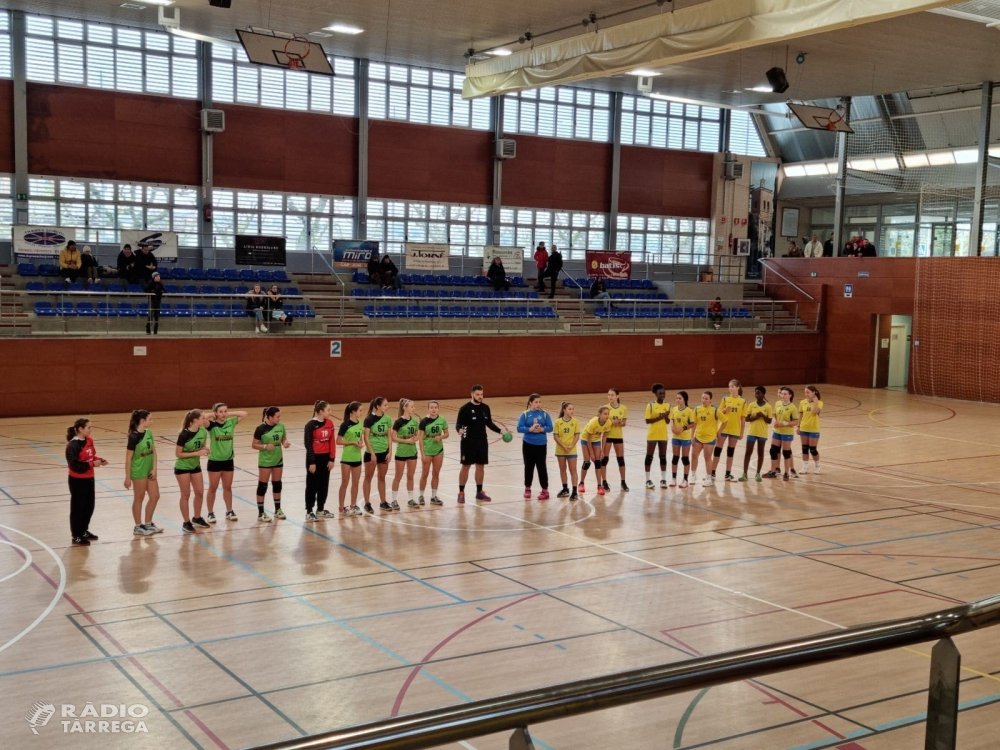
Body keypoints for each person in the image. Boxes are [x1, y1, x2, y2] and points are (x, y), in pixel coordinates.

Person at [455, 384, 504, 504]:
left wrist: (501, 431)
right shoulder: (465, 408)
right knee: (466, 466)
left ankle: (479, 491)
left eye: (481, 394)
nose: (480, 396)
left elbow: (490, 423)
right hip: (468, 442)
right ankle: (461, 492)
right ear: (472, 394)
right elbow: (458, 424)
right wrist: (459, 430)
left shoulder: (485, 408)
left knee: (480, 466)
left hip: (482, 441)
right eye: (477, 394)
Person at [65, 417, 108, 546]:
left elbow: (91, 456)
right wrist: (92, 464)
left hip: (89, 479)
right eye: (88, 427)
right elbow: (75, 466)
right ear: (80, 429)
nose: (91, 430)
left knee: (89, 507)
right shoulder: (72, 445)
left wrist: (99, 459)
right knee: (78, 508)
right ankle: (76, 535)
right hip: (77, 481)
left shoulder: (89, 440)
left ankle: (84, 531)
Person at [206, 403, 247, 522]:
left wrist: (230, 414)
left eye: (225, 411)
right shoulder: (211, 425)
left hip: (228, 460)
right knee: (213, 488)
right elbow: (202, 418)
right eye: (221, 412)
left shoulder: (231, 422)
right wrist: (212, 415)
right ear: (216, 413)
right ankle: (210, 513)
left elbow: (245, 414)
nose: (224, 414)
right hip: (215, 461)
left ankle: (229, 511)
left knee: (227, 487)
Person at [125, 410, 161, 536]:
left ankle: (148, 523)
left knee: (155, 496)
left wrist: (155, 468)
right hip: (138, 471)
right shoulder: (133, 437)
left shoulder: (149, 433)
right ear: (142, 421)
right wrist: (128, 477)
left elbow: (154, 451)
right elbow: (128, 458)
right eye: (150, 419)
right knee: (139, 497)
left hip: (149, 470)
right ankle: (138, 526)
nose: (152, 421)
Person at [174, 409, 211, 533]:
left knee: (199, 492)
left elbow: (202, 447)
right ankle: (186, 522)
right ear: (195, 420)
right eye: (203, 418)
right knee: (185, 495)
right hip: (182, 467)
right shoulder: (184, 434)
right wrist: (197, 453)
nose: (205, 420)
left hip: (195, 466)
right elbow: (178, 454)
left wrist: (206, 450)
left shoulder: (203, 432)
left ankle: (197, 517)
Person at [252, 406, 290, 521]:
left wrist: (285, 442)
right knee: (263, 486)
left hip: (278, 459)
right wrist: (264, 446)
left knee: (277, 484)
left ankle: (277, 510)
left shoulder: (281, 426)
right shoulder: (261, 429)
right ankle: (261, 513)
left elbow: (283, 438)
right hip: (266, 461)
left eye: (280, 416)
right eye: (277, 416)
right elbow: (254, 445)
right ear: (269, 417)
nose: (279, 418)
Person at [518, 393, 553, 500]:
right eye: (536, 402)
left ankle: (545, 490)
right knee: (529, 466)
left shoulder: (545, 414)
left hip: (541, 444)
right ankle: (527, 488)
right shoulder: (525, 414)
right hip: (528, 444)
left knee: (541, 467)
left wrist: (542, 429)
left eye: (539, 402)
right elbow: (519, 428)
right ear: (530, 403)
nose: (538, 404)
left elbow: (550, 427)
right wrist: (530, 429)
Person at [304, 400, 335, 521]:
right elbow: (308, 444)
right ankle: (309, 510)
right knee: (312, 485)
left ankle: (321, 509)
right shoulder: (310, 425)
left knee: (324, 484)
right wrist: (312, 462)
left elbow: (332, 441)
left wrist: (331, 459)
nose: (330, 412)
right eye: (328, 410)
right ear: (321, 411)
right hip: (314, 458)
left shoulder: (329, 423)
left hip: (326, 458)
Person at [363, 397, 394, 512]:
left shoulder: (387, 419)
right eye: (385, 405)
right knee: (368, 478)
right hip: (372, 453)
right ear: (378, 406)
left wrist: (390, 451)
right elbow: (366, 438)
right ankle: (367, 503)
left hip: (384, 452)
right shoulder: (369, 419)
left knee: (382, 478)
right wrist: (372, 453)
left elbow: (389, 436)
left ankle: (383, 502)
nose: (387, 406)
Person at [763, 387, 799, 481]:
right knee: (773, 450)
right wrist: (775, 421)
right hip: (777, 431)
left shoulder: (792, 407)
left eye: (785, 394)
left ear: (790, 395)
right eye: (782, 394)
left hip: (787, 432)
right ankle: (773, 471)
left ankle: (786, 473)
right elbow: (774, 414)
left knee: (786, 452)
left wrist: (783, 423)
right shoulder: (778, 404)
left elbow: (796, 422)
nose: (782, 396)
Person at [418, 401, 449, 506]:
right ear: (428, 409)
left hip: (439, 450)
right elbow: (420, 439)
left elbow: (447, 433)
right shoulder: (424, 421)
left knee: (436, 473)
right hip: (427, 450)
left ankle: (433, 496)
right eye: (431, 407)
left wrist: (440, 437)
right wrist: (422, 454)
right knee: (425, 474)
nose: (434, 409)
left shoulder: (442, 420)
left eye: (435, 407)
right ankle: (421, 496)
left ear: (438, 409)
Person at [337, 401, 365, 517]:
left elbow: (360, 438)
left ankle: (353, 506)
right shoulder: (345, 425)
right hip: (347, 457)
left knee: (356, 483)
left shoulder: (360, 424)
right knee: (345, 483)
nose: (361, 413)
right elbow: (338, 441)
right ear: (353, 412)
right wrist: (352, 442)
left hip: (357, 457)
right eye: (360, 410)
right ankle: (341, 507)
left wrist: (360, 442)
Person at [391, 399, 421, 508]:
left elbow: (417, 435)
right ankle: (394, 500)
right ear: (405, 408)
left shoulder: (414, 421)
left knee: (410, 476)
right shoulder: (398, 422)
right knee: (398, 476)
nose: (414, 408)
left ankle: (410, 499)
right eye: (412, 406)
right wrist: (406, 441)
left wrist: (416, 438)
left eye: (414, 406)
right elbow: (393, 437)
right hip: (401, 452)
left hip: (412, 451)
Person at [739, 387, 773, 482]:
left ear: (763, 394)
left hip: (762, 433)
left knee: (760, 453)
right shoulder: (751, 405)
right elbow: (747, 419)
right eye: (756, 393)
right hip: (752, 432)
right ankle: (744, 474)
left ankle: (758, 474)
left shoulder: (768, 407)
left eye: (759, 393)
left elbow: (769, 421)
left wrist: (762, 416)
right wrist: (755, 417)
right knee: (748, 452)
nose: (757, 395)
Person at [579, 406, 612, 496]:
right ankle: (581, 483)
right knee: (587, 462)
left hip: (596, 440)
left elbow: (604, 437)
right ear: (599, 414)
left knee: (598, 462)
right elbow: (589, 439)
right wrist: (591, 453)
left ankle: (599, 486)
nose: (607, 416)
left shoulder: (608, 423)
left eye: (608, 414)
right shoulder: (593, 422)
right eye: (605, 414)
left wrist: (602, 450)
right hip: (586, 440)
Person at [718, 380, 747, 482]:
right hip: (723, 428)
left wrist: (742, 432)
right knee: (718, 450)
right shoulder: (725, 399)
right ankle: (712, 473)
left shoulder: (743, 401)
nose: (730, 388)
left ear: (738, 387)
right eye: (729, 386)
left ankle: (727, 474)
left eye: (732, 386)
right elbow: (719, 413)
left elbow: (743, 418)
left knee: (730, 452)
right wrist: (724, 410)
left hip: (735, 430)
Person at [691, 391, 721, 487]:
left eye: (706, 398)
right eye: (702, 398)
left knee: (707, 458)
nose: (704, 400)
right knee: (694, 456)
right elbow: (694, 424)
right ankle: (693, 475)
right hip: (698, 437)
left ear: (710, 400)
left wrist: (719, 431)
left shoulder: (715, 410)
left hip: (709, 438)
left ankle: (708, 478)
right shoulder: (697, 409)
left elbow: (725, 420)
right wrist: (692, 436)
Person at [644, 383, 670, 489]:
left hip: (663, 435)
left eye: (663, 393)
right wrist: (660, 417)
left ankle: (663, 479)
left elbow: (668, 421)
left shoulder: (668, 405)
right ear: (655, 394)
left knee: (663, 457)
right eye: (660, 394)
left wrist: (666, 416)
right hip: (652, 435)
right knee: (649, 456)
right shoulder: (650, 405)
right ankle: (647, 480)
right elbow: (647, 420)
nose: (662, 395)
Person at [553, 401, 580, 500]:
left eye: (573, 409)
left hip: (572, 450)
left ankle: (574, 491)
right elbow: (555, 436)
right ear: (564, 410)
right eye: (570, 409)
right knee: (562, 469)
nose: (572, 411)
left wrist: (571, 445)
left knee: (573, 470)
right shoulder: (558, 422)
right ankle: (565, 489)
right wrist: (564, 446)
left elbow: (577, 435)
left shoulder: (575, 422)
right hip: (561, 449)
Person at [669, 391, 696, 488]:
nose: (677, 400)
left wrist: (683, 428)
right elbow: (672, 419)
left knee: (685, 458)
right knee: (675, 458)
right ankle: (673, 479)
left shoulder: (689, 411)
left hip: (685, 438)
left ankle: (685, 480)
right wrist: (672, 427)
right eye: (676, 398)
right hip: (675, 437)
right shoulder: (674, 409)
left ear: (684, 399)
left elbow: (693, 424)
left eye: (679, 398)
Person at [605, 388, 628, 491]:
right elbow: (602, 424)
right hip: (608, 436)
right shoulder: (605, 408)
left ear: (617, 396)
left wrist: (621, 423)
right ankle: (604, 482)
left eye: (612, 395)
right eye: (609, 395)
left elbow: (624, 423)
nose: (610, 397)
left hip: (618, 436)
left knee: (620, 459)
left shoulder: (623, 408)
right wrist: (612, 423)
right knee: (604, 459)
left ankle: (623, 482)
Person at [798, 385, 824, 474]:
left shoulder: (819, 402)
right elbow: (800, 415)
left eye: (808, 392)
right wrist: (798, 426)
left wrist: (815, 401)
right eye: (805, 392)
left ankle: (817, 466)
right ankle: (805, 467)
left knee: (813, 449)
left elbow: (815, 411)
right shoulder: (802, 402)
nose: (806, 394)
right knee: (804, 448)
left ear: (814, 393)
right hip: (804, 428)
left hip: (814, 429)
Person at [145, 271, 164, 335]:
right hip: (152, 301)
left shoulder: (160, 284)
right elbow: (146, 290)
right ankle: (148, 329)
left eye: (159, 276)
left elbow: (164, 290)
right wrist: (152, 292)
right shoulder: (151, 283)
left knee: (156, 316)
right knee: (150, 316)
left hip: (158, 301)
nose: (158, 277)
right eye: (157, 276)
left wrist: (161, 292)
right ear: (154, 277)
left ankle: (155, 330)